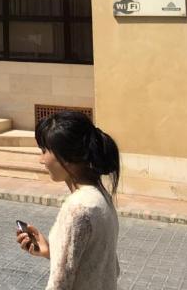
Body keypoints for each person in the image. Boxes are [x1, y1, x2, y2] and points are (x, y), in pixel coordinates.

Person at [15, 110, 121, 289]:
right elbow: (105, 265)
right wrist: (50, 251)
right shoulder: (101, 197)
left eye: (44, 151)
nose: (41, 160)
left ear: (67, 156)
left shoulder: (78, 208)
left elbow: (59, 284)